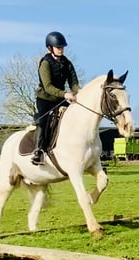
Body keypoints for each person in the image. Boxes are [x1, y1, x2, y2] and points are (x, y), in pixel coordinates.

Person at [32, 31, 80, 165]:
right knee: (43, 122)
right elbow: (47, 86)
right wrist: (65, 94)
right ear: (50, 48)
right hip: (45, 99)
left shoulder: (67, 63)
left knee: (74, 117)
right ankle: (38, 150)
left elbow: (74, 84)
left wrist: (80, 94)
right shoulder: (45, 63)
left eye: (62, 47)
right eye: (58, 47)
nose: (61, 49)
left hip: (60, 99)